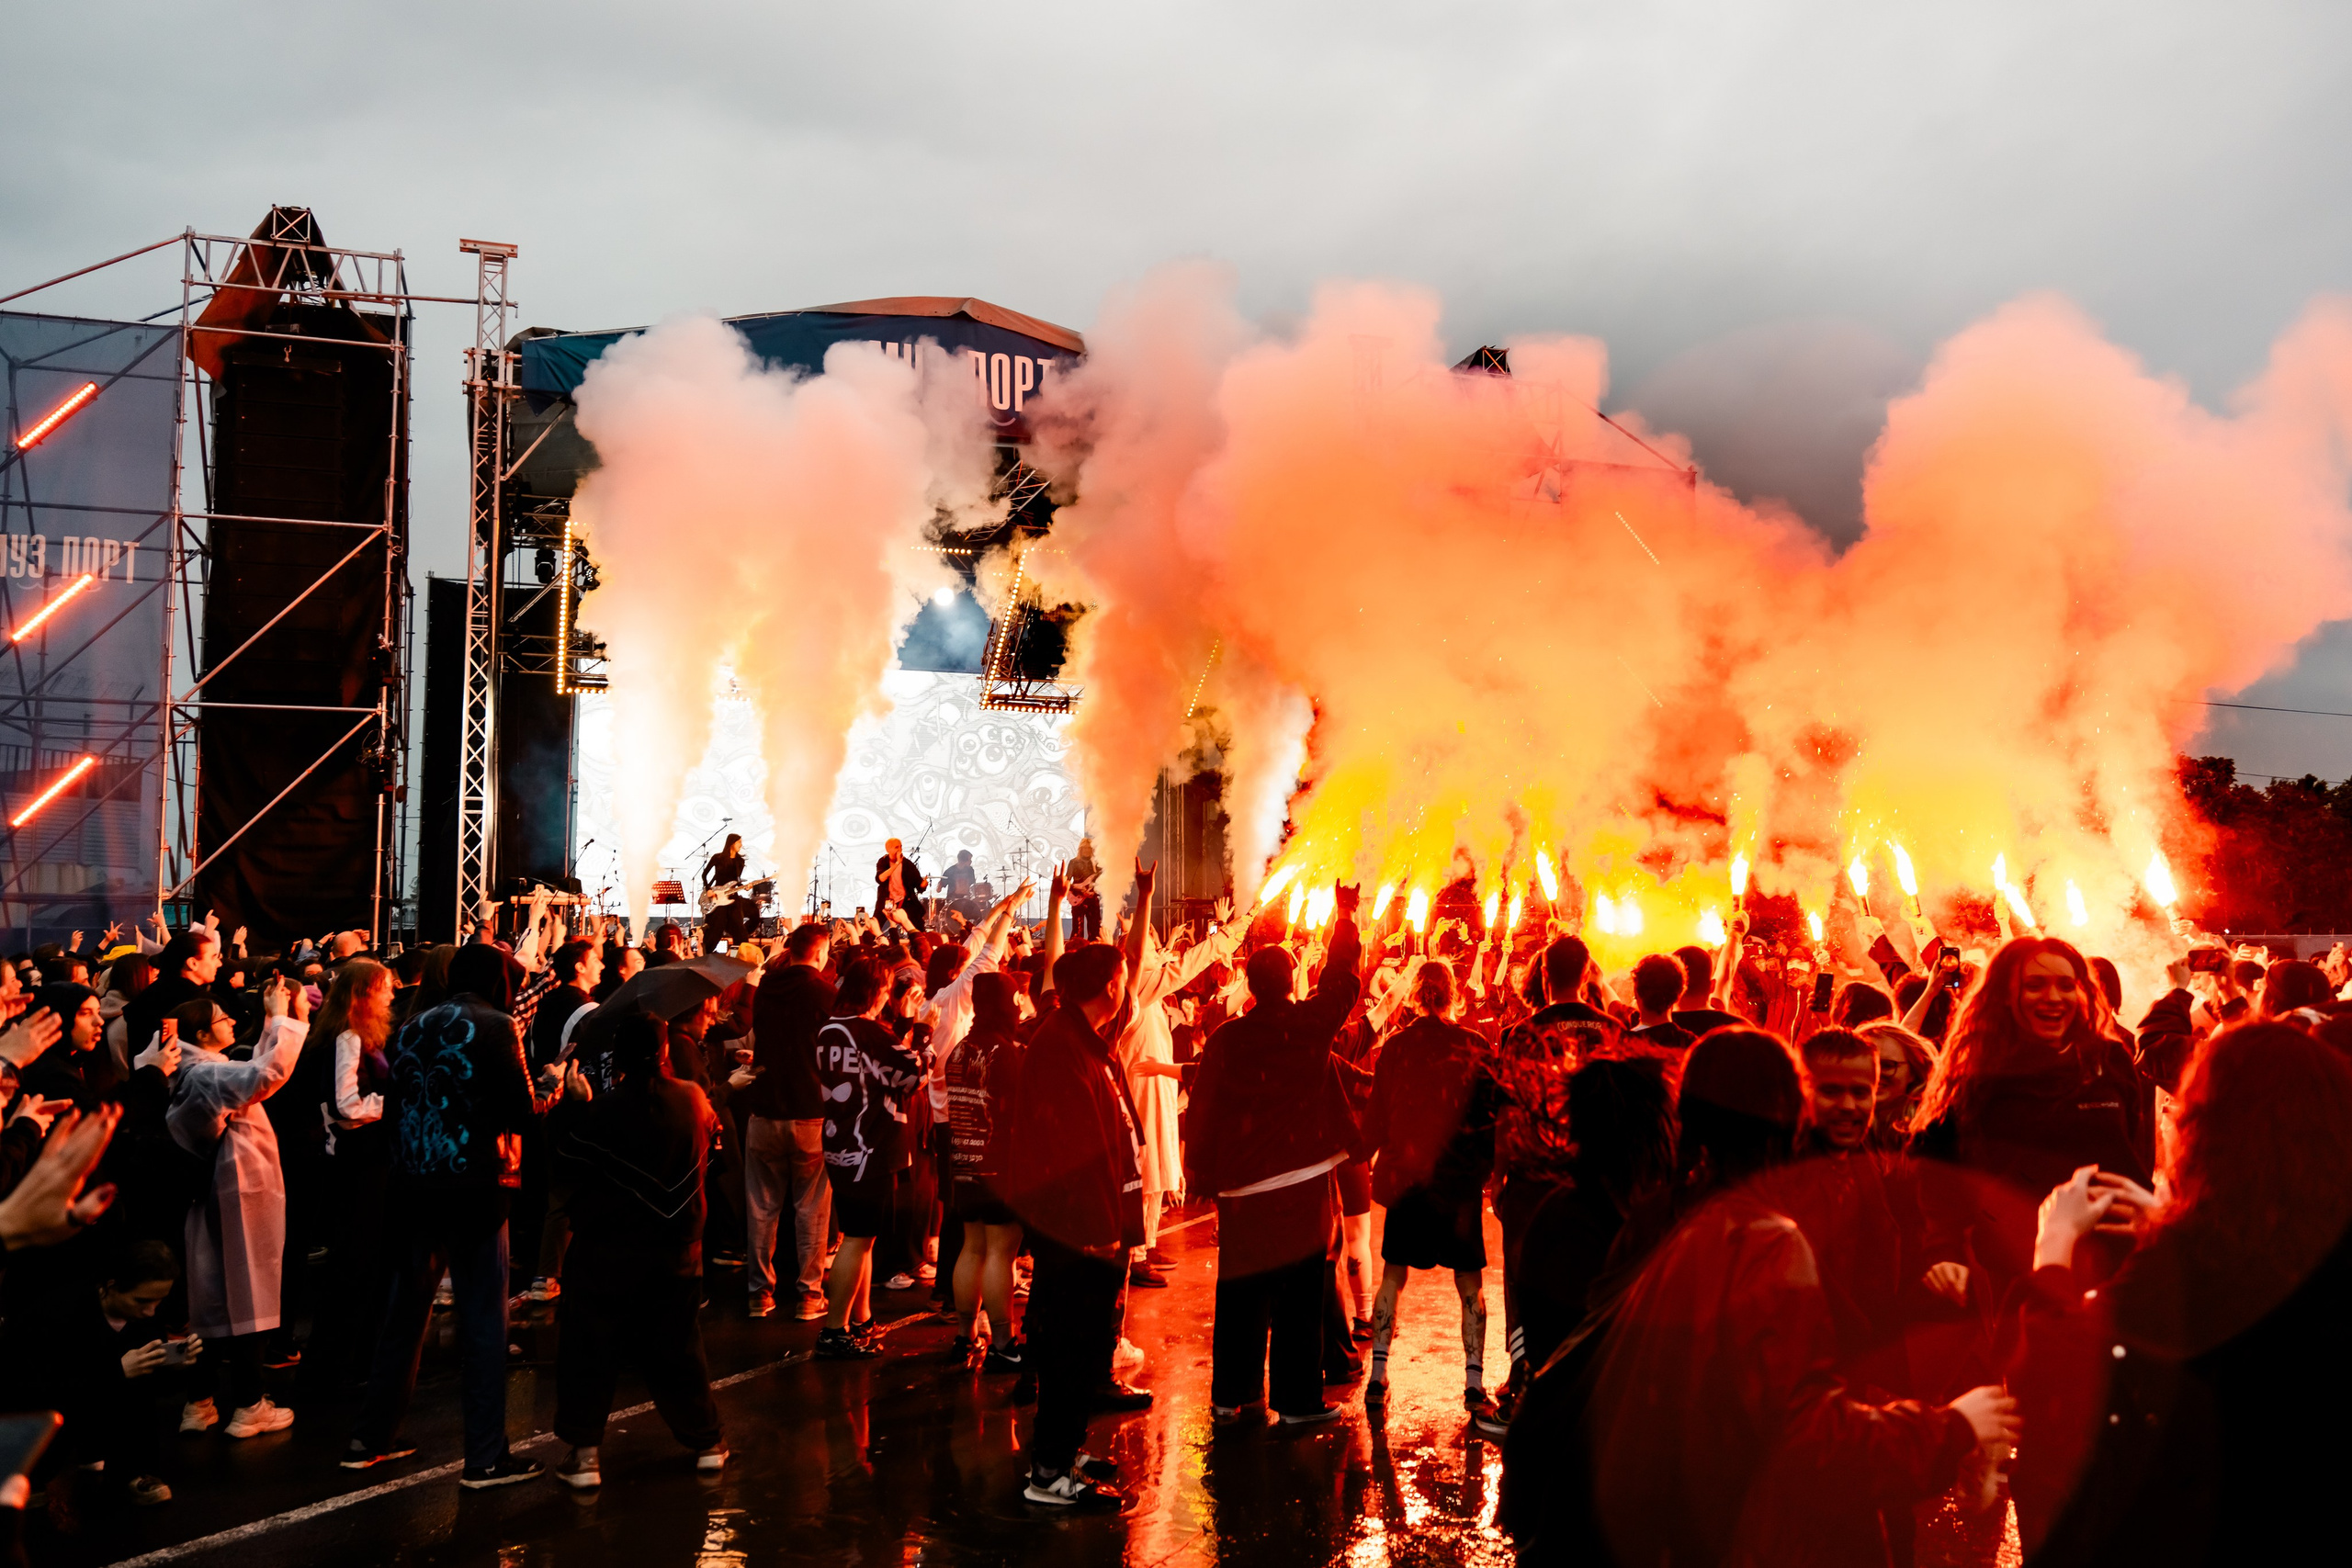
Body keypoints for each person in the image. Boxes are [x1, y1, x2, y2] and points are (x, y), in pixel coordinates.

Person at [1505, 1028, 2018, 1567]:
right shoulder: (1760, 1238)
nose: (1844, 1107)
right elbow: (1800, 1431)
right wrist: (1953, 1427)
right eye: (1818, 1089)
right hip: (1737, 1527)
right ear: (1793, 1108)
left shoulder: (1687, 1215)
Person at [2005, 1021, 2352, 1565]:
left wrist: (2053, 1246)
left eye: (2177, 1111)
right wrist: (2167, 1221)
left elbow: (2059, 1369)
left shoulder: (2184, 1263)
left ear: (2208, 1130)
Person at [345, 944, 546, 1487]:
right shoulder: (498, 1025)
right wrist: (555, 1088)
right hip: (477, 1187)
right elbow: (522, 1112)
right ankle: (485, 1456)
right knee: (484, 1321)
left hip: (414, 1187)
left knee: (405, 1317)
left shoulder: (412, 1025)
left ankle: (371, 1437)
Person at [1188, 884, 1363, 1425]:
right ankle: (1297, 1403)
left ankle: (1230, 1397)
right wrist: (1345, 917)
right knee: (1300, 1297)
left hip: (1242, 1189)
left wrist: (1205, 1178)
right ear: (1292, 984)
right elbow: (1342, 981)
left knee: (1239, 1295)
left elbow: (1202, 1113)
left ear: (1249, 986)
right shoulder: (1309, 1026)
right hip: (1303, 1183)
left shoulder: (1225, 1039)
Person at [1909, 936, 2153, 1310]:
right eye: (2034, 985)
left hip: (2122, 1268)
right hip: (2022, 1278)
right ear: (2005, 995)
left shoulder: (2110, 1059)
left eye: (2065, 985)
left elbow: (2135, 1153)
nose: (2053, 997)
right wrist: (1944, 1251)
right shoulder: (1976, 1075)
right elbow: (1938, 1173)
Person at [547, 1015, 726, 1489]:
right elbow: (719, 1152)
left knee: (590, 1348)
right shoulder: (693, 1100)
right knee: (680, 1346)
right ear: (665, 1052)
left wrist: (571, 1106)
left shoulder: (600, 1112)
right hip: (678, 1249)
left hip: (608, 1250)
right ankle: (707, 1443)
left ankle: (585, 1457)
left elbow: (564, 1166)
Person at [1003, 941, 1146, 1508]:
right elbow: (1070, 1149)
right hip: (1078, 1233)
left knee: (1084, 1349)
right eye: (1123, 977)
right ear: (1110, 986)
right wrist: (1096, 1227)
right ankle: (1051, 1475)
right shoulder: (1061, 1047)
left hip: (1092, 1229)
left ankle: (1064, 1448)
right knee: (1070, 1348)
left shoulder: (1083, 1040)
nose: (1127, 986)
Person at [1359, 958, 1501, 1426]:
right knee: (1468, 1284)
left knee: (1392, 1276)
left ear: (1418, 994)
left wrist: (1364, 1151)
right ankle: (1474, 1385)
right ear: (1454, 993)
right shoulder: (1475, 1045)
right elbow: (1490, 1119)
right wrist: (1483, 1172)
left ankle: (1377, 1376)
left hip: (1409, 1182)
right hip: (1456, 1183)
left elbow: (1377, 1117)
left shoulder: (1396, 1048)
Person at [167, 979, 308, 1439]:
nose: (230, 1022)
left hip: (214, 1191)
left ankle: (200, 1399)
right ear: (203, 1034)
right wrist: (285, 1019)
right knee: (250, 1292)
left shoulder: (197, 1068)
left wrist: (274, 1021)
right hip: (239, 1188)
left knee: (211, 1297)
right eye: (222, 1019)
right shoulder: (208, 1075)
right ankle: (249, 1403)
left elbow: (253, 1066)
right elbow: (264, 1075)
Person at [0, 1239, 188, 1514]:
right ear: (111, 1286)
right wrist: (117, 1371)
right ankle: (27, 1473)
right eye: (142, 1301)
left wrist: (175, 1368)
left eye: (159, 1301)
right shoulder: (57, 1313)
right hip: (37, 1408)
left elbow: (156, 1390)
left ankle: (132, 1474)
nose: (151, 1311)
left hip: (92, 1404)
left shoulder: (144, 1318)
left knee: (138, 1385)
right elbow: (37, 1388)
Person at [812, 958, 933, 1359]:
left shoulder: (830, 1028)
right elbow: (912, 1073)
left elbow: (874, 1068)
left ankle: (860, 1318)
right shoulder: (869, 1030)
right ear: (877, 992)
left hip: (840, 1142)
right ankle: (834, 1331)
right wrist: (917, 1028)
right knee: (860, 1239)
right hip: (873, 1145)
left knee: (860, 1238)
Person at [300, 959, 398, 1394]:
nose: (391, 995)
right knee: (354, 1267)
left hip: (364, 1162)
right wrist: (390, 1107)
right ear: (362, 995)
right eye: (383, 989)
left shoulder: (358, 1037)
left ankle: (348, 1360)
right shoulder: (349, 1038)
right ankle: (337, 1365)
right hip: (358, 1165)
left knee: (361, 1266)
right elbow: (346, 1105)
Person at [741, 920, 836, 1321]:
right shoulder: (823, 992)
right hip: (810, 1111)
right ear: (818, 953)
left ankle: (759, 1294)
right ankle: (809, 1295)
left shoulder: (764, 990)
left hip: (764, 1109)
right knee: (811, 1209)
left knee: (761, 1209)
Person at [944, 970, 1027, 1364]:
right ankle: (1003, 1343)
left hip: (963, 1162)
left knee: (971, 1247)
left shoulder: (960, 1048)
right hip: (999, 1165)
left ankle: (965, 1334)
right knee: (1001, 1254)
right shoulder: (1006, 1051)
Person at [702, 834, 759, 948]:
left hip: (733, 897)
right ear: (732, 843)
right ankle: (705, 954)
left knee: (740, 931)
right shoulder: (717, 858)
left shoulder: (740, 861)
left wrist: (745, 886)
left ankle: (742, 956)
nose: (741, 845)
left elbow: (735, 881)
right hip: (717, 897)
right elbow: (704, 875)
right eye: (739, 842)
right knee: (715, 929)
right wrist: (708, 889)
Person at [874, 839, 928, 931]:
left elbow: (918, 884)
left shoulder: (908, 864)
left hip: (905, 901)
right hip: (887, 901)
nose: (900, 849)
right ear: (888, 849)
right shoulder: (883, 862)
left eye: (901, 847)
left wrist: (923, 885)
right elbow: (880, 879)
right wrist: (897, 863)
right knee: (875, 925)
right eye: (896, 847)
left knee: (918, 926)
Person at [1065, 839, 1103, 942]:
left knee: (1095, 928)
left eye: (1089, 848)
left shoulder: (1096, 864)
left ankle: (1094, 950)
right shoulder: (1074, 862)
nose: (1087, 850)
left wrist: (1094, 891)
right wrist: (1079, 889)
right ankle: (1075, 950)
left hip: (1092, 897)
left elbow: (1101, 881)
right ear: (1080, 849)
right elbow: (1066, 881)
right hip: (1078, 898)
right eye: (1084, 848)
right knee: (1077, 929)